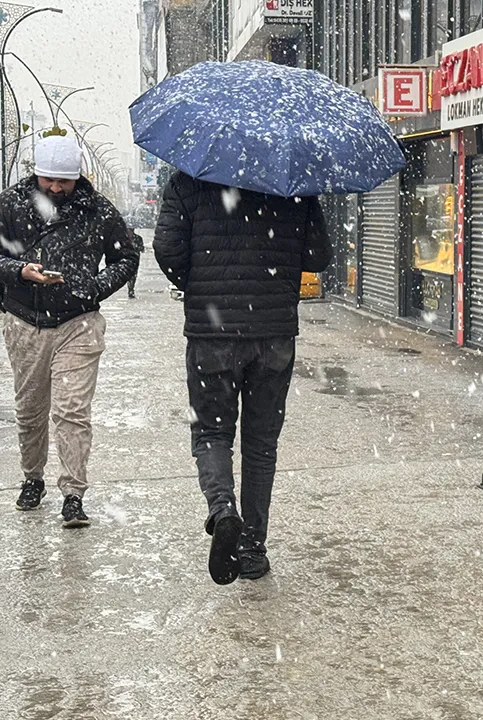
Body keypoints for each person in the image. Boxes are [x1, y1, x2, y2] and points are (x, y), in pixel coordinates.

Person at [154, 170, 329, 585]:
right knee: (261, 444)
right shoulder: (294, 180)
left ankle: (222, 509)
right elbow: (319, 257)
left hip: (211, 330)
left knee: (212, 434)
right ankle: (252, 549)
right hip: (273, 333)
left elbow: (167, 249)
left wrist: (199, 282)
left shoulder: (187, 180)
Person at [0, 134, 140, 528]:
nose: (55, 187)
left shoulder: (98, 210)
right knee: (31, 410)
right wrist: (20, 271)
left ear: (76, 178)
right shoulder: (12, 203)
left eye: (63, 181)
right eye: (48, 179)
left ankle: (73, 494)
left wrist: (95, 287)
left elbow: (127, 256)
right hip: (24, 321)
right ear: (36, 174)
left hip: (78, 323)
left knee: (72, 411)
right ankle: (32, 478)